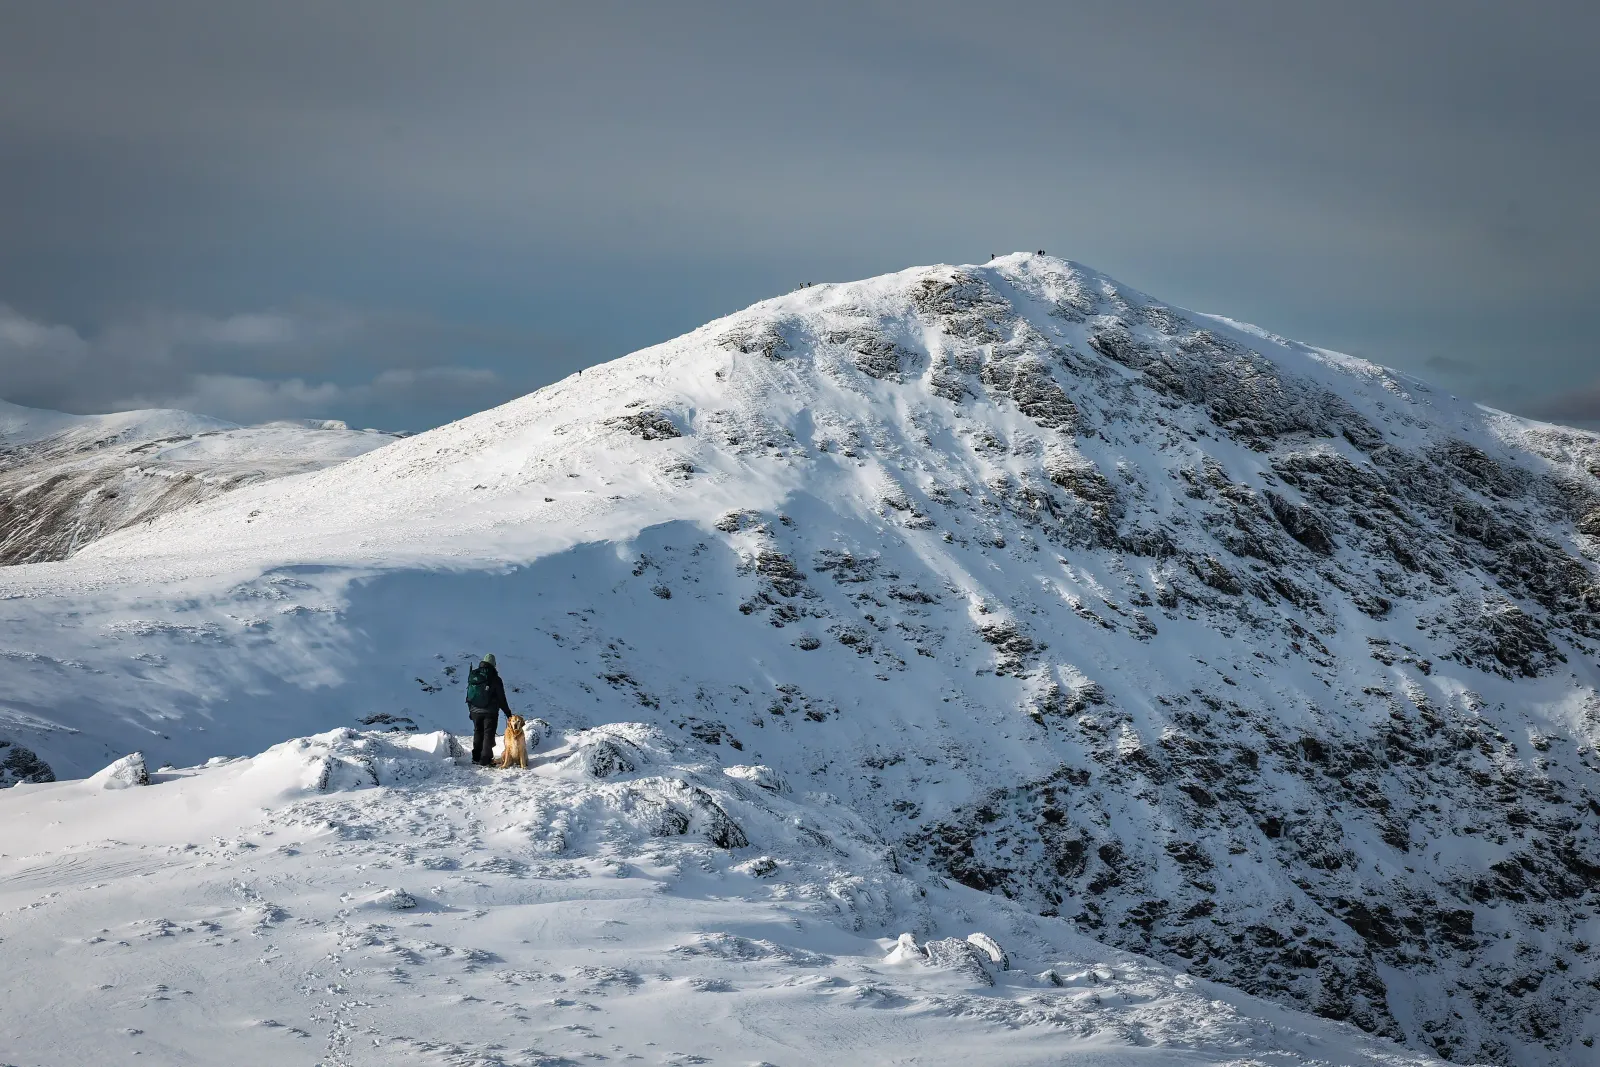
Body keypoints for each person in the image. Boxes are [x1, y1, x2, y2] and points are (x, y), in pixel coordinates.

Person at [465, 653, 511, 766]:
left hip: (474, 710)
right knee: (487, 734)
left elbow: (469, 694)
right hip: (490, 712)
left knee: (477, 732)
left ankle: (475, 757)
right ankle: (485, 759)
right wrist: (508, 713)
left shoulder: (474, 675)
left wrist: (470, 710)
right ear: (493, 664)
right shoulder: (495, 678)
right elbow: (501, 698)